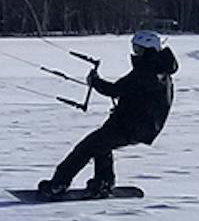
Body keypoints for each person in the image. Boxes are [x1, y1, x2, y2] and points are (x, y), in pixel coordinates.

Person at [39, 30, 178, 195]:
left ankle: (58, 184)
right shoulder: (160, 69)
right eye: (134, 48)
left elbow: (116, 89)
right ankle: (103, 182)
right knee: (100, 146)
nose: (135, 53)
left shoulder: (148, 71)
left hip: (131, 126)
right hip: (138, 125)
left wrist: (95, 82)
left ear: (150, 50)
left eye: (138, 49)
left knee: (86, 147)